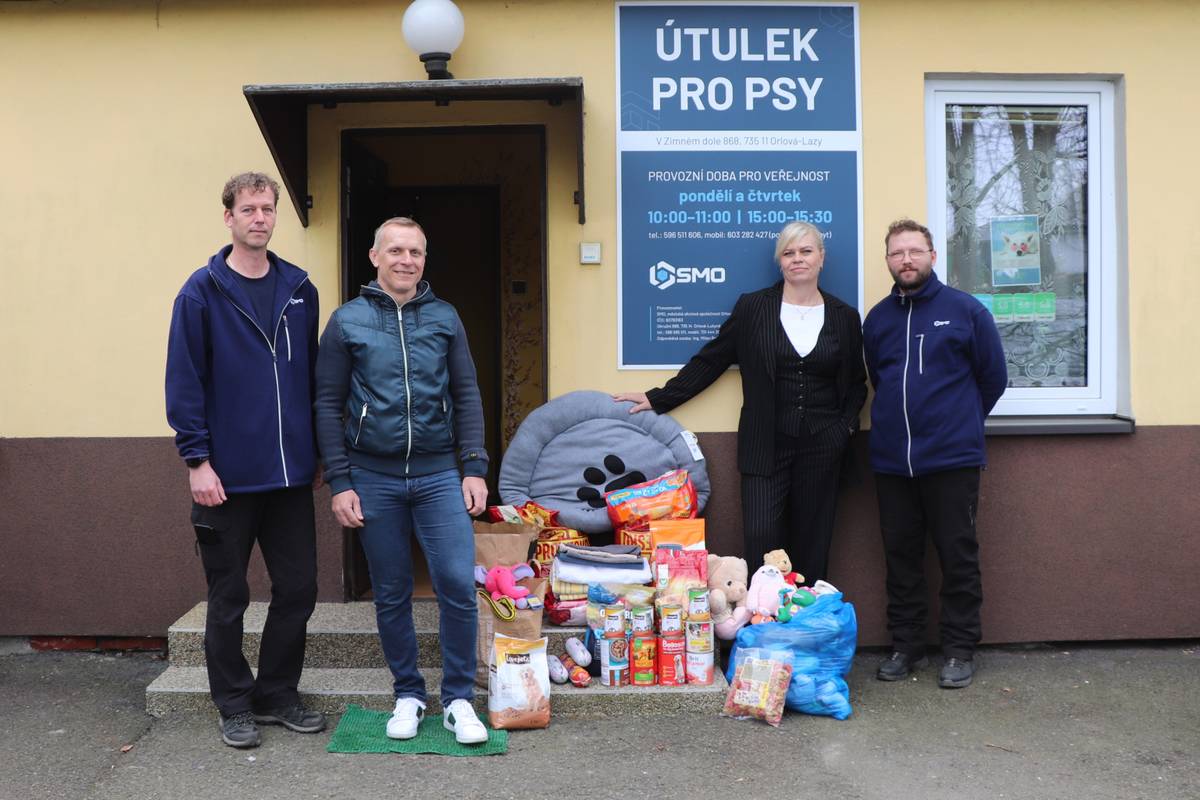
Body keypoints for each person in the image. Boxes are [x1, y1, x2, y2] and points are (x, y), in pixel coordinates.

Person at [314, 216, 490, 745]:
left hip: (439, 474)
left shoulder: (444, 316)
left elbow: (467, 394)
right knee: (391, 591)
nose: (405, 260)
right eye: (395, 250)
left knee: (457, 583)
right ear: (375, 256)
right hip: (373, 476)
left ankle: (458, 699)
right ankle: (408, 695)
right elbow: (326, 404)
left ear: (423, 259)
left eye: (414, 252)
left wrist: (474, 467)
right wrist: (340, 481)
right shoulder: (346, 321)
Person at [165, 172, 325, 748]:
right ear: (228, 217)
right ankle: (233, 703)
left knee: (299, 590)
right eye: (249, 209)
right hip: (225, 480)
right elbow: (185, 380)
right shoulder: (201, 292)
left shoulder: (300, 289)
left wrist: (318, 453)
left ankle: (277, 694)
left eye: (267, 209)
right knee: (228, 597)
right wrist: (197, 461)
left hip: (289, 478)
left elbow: (313, 378)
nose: (260, 218)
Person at [614, 222, 868, 581]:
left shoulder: (844, 316)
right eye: (789, 252)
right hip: (764, 444)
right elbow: (712, 359)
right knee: (761, 539)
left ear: (821, 258)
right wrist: (658, 398)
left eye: (806, 251)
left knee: (813, 542)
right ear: (780, 261)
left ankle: (808, 616)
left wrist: (844, 429)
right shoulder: (753, 308)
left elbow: (856, 383)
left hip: (823, 446)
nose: (797, 259)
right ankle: (762, 615)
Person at [863, 218, 1008, 689]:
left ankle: (959, 649)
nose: (906, 260)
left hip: (952, 459)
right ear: (888, 260)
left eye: (914, 251)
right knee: (900, 557)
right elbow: (878, 378)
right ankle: (906, 646)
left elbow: (993, 377)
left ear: (932, 256)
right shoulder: (878, 319)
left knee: (957, 555)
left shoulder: (966, 311)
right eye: (897, 252)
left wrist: (959, 422)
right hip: (892, 460)